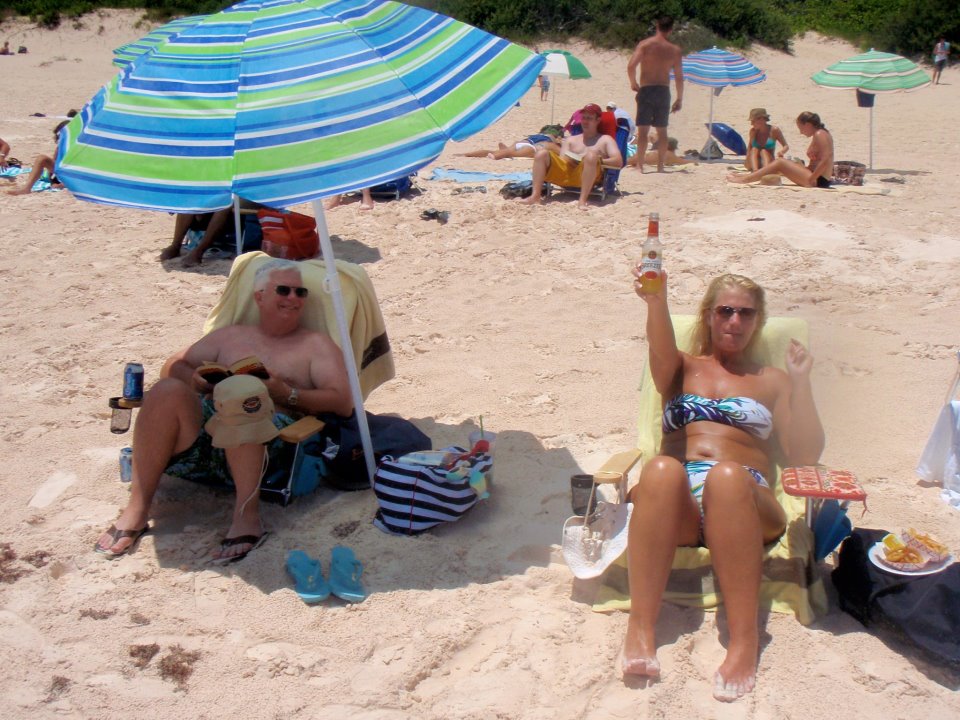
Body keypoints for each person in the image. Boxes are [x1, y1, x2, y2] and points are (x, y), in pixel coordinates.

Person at [623, 271, 824, 702]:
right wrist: (655, 300)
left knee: (727, 476)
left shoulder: (772, 380)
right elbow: (658, 345)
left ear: (757, 321)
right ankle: (640, 629)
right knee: (660, 468)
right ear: (709, 317)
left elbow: (804, 454)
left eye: (745, 313)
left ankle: (744, 640)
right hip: (675, 507)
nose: (734, 320)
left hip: (744, 501)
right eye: (725, 311)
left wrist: (802, 382)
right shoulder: (679, 367)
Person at [94, 259, 353, 562]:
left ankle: (247, 516)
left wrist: (285, 392)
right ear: (259, 296)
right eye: (283, 290)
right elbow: (172, 365)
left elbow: (342, 401)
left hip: (271, 450)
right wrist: (192, 377)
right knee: (165, 390)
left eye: (301, 293)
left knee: (244, 395)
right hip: (205, 443)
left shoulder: (315, 346)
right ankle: (137, 510)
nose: (293, 299)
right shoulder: (231, 336)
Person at [518, 103, 623, 210]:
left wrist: (598, 160)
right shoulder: (571, 140)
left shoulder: (605, 140)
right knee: (541, 153)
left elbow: (618, 161)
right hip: (566, 176)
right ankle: (535, 196)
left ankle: (582, 200)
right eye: (584, 118)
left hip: (591, 176)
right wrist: (572, 159)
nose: (585, 121)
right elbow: (562, 161)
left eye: (589, 118)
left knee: (591, 155)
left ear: (598, 120)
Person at [626, 17, 684, 173]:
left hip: (647, 88)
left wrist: (633, 83)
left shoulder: (645, 45)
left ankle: (640, 165)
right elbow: (679, 77)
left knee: (643, 130)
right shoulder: (674, 50)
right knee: (662, 130)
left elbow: (631, 66)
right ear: (671, 29)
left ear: (657, 26)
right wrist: (679, 98)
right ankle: (660, 166)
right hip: (663, 90)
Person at [727, 112, 833, 188]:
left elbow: (826, 159)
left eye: (801, 128)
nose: (801, 132)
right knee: (785, 163)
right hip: (815, 176)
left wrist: (811, 179)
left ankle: (745, 179)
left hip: (818, 180)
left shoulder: (820, 134)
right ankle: (747, 176)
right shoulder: (820, 133)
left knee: (780, 162)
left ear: (808, 125)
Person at [5, 120, 68, 195]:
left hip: (76, 174)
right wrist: (53, 182)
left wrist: (64, 185)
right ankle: (26, 188)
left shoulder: (81, 147)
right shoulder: (60, 148)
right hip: (64, 172)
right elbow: (52, 168)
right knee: (41, 159)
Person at [456, 125, 563, 160]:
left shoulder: (540, 135)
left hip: (522, 142)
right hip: (530, 147)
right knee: (511, 154)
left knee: (508, 151)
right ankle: (496, 155)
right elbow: (560, 152)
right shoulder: (553, 140)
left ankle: (467, 154)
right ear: (557, 136)